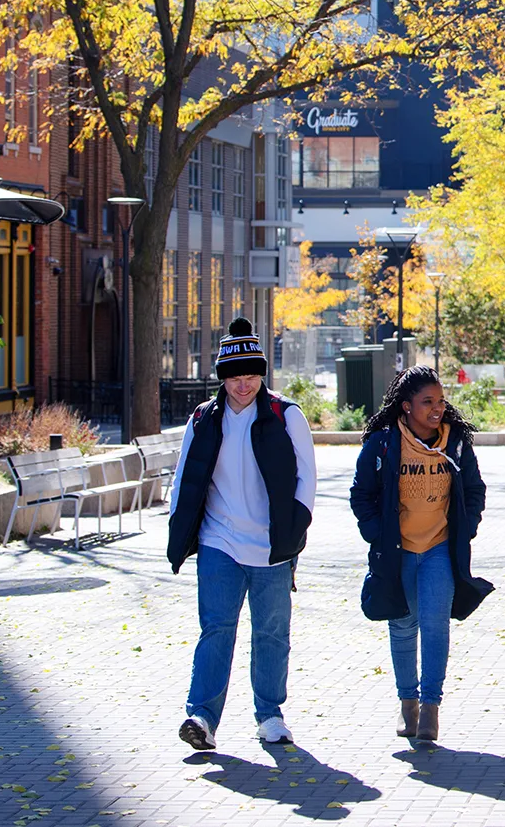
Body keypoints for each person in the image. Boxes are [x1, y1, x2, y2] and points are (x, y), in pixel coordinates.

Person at [169, 317, 318, 751]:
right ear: (222, 377)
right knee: (216, 628)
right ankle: (201, 717)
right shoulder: (204, 418)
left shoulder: (286, 415)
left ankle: (270, 715)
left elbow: (306, 479)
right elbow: (183, 477)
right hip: (219, 542)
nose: (243, 385)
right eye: (235, 377)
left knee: (271, 633)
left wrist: (295, 529)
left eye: (251, 376)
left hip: (273, 546)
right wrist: (178, 528)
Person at [350, 366, 492, 743]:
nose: (437, 408)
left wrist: (467, 527)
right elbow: (361, 494)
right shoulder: (383, 443)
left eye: (440, 401)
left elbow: (474, 489)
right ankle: (407, 703)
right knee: (401, 624)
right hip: (397, 551)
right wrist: (377, 535)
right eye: (427, 401)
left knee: (434, 624)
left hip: (438, 548)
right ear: (407, 405)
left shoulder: (455, 442)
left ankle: (430, 706)